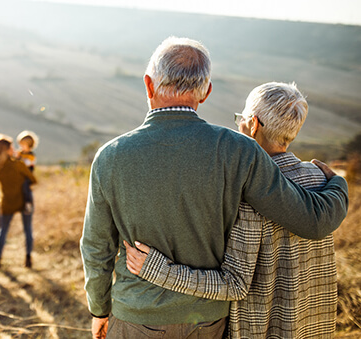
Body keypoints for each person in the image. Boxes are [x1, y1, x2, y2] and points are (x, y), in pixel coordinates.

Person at [80, 36, 348, 339]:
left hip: (135, 316)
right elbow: (310, 220)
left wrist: (99, 309)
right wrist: (337, 183)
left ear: (148, 84)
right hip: (207, 321)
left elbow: (96, 247)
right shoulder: (239, 150)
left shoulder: (110, 156)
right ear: (205, 92)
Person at [125, 82, 339, 338]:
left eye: (241, 119)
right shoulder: (321, 178)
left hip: (261, 330)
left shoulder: (247, 191)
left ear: (253, 124)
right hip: (314, 327)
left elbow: (235, 284)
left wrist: (159, 271)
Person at [0, 134, 37, 269]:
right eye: (11, 147)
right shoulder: (18, 165)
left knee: (2, 230)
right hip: (24, 199)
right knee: (28, 229)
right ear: (7, 150)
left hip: (7, 200)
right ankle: (28, 258)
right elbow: (33, 179)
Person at [15, 130, 39, 215]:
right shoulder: (20, 153)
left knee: (25, 186)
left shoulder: (31, 156)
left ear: (29, 145)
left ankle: (28, 203)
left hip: (27, 176)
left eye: (23, 145)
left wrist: (19, 159)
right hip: (19, 175)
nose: (21, 147)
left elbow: (26, 164)